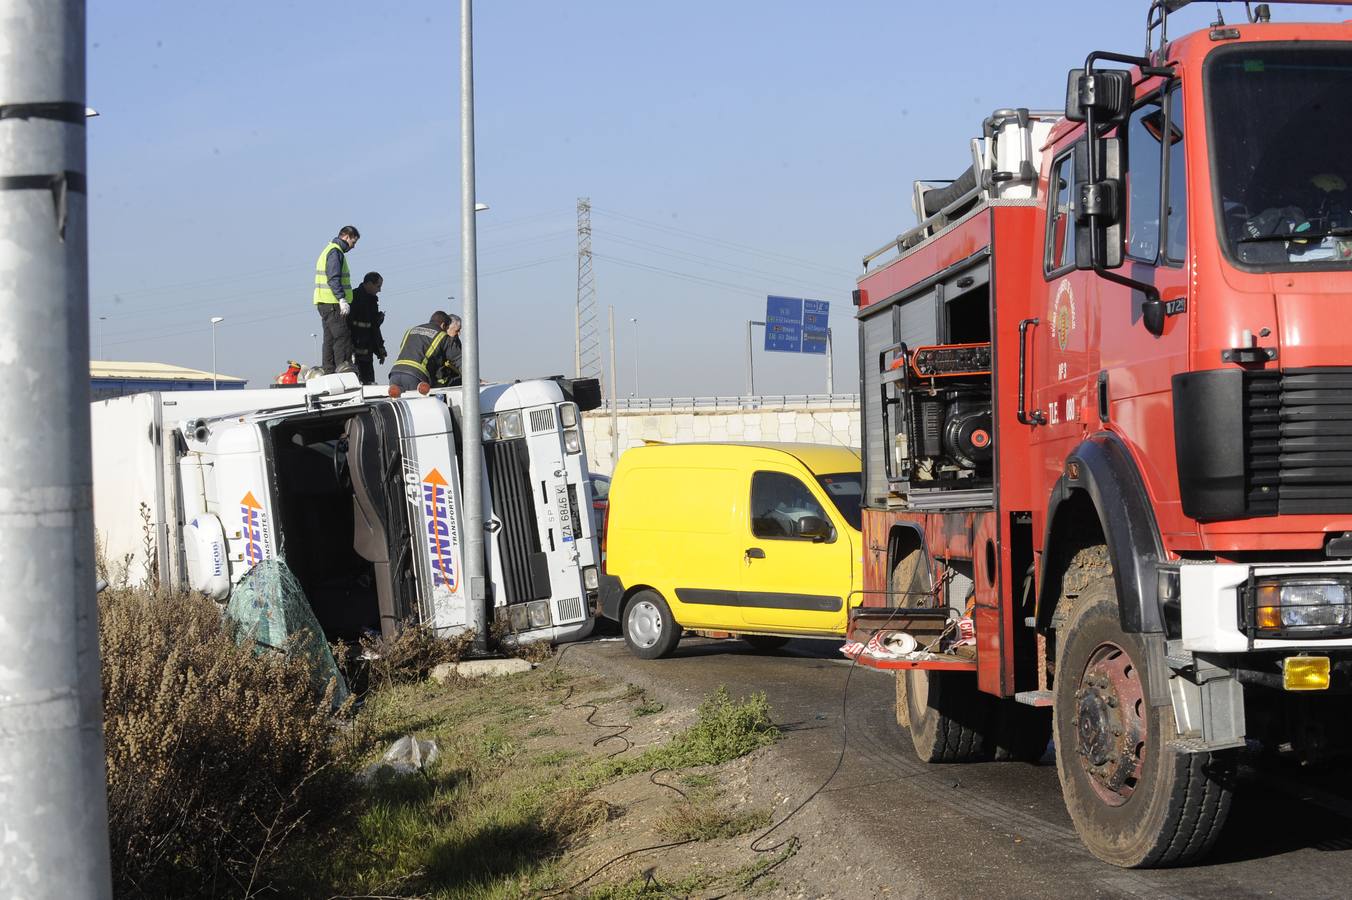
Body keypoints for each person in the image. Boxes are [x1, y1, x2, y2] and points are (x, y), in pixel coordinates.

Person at [313, 225, 360, 373]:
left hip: (325, 303)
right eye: (354, 242)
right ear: (346, 237)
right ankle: (343, 369)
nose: (353, 247)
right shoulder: (335, 252)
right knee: (342, 337)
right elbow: (333, 278)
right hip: (333, 303)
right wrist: (342, 299)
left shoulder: (328, 250)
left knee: (330, 339)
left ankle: (329, 370)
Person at [389, 311, 456, 393]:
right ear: (443, 325)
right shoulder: (442, 336)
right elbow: (458, 359)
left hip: (395, 373)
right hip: (415, 377)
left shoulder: (411, 330)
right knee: (417, 404)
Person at [349, 271, 387, 384]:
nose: (379, 290)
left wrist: (380, 350)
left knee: (370, 385)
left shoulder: (372, 301)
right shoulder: (353, 297)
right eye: (378, 286)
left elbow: (374, 329)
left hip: (367, 355)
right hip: (354, 356)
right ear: (369, 283)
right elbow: (346, 327)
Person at [433, 314, 463, 387]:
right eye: (457, 331)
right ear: (446, 328)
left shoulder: (456, 342)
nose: (459, 334)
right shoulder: (437, 342)